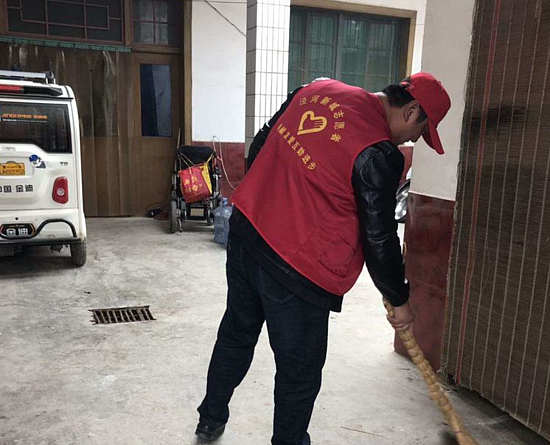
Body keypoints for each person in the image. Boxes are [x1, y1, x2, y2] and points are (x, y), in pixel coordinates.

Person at [196, 72, 451, 445]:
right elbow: (378, 237)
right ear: (411, 110)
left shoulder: (316, 90)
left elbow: (262, 143)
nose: (410, 140)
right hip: (298, 270)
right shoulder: (379, 152)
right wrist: (399, 299)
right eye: (418, 132)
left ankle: (209, 419)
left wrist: (269, 199)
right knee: (298, 372)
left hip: (247, 236)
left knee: (236, 333)